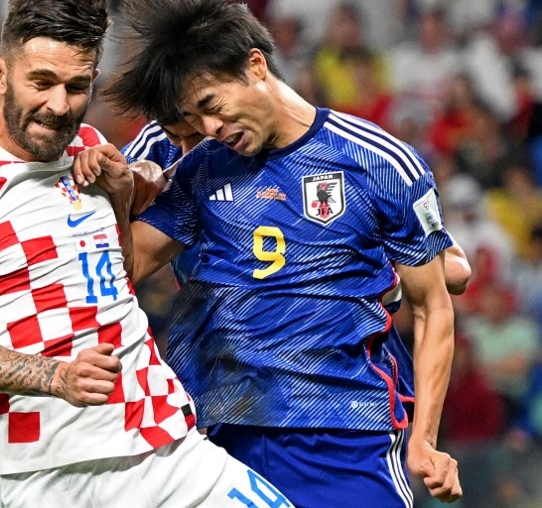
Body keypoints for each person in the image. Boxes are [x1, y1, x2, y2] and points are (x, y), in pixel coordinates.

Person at [0, 0, 293, 508]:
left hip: (166, 444)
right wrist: (56, 376)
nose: (59, 105)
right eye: (42, 83)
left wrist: (125, 192)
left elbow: (116, 270)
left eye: (77, 87)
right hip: (50, 475)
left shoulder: (89, 148)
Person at [75, 0, 464, 506]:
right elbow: (122, 270)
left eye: (211, 104)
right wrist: (117, 195)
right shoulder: (198, 167)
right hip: (221, 433)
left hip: (348, 431)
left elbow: (433, 306)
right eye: (193, 119)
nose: (209, 127)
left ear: (255, 65)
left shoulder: (378, 161)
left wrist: (424, 440)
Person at [122, 118, 472, 412]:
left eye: (197, 136)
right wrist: (129, 187)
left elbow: (456, 269)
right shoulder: (159, 148)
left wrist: (358, 253)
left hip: (340, 371)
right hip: (227, 374)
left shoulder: (318, 153)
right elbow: (110, 249)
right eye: (177, 138)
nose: (188, 153)